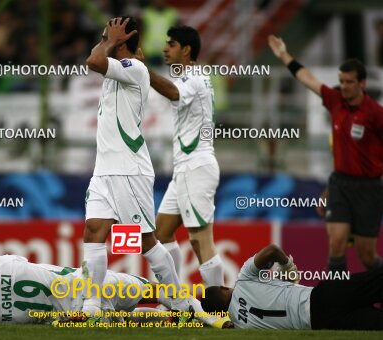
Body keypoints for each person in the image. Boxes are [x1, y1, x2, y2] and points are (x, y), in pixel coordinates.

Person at [82, 17, 191, 324]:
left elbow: (92, 59)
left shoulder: (134, 69)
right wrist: (109, 40)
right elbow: (95, 56)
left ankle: (177, 300)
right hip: (104, 171)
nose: (103, 38)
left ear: (122, 40)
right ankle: (92, 304)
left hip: (129, 171)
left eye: (108, 35)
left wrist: (110, 42)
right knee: (94, 232)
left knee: (143, 241)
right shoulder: (117, 72)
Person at [268, 35, 383, 273]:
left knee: (367, 255)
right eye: (341, 81)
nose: (344, 86)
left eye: (349, 82)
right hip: (340, 183)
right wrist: (284, 55)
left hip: (369, 188)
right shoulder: (335, 101)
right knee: (337, 243)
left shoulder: (375, 114)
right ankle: (336, 299)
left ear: (362, 84)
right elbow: (307, 79)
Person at [138, 25, 224, 287]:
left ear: (186, 50)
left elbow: (174, 92)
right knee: (161, 233)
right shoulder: (193, 76)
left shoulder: (193, 77)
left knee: (200, 240)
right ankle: (175, 298)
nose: (165, 48)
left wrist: (144, 71)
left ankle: (218, 306)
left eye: (172, 44)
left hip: (196, 167)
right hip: (184, 171)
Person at [0, 255, 231, 328]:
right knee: (159, 291)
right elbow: (23, 264)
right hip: (92, 282)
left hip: (84, 314)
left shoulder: (3, 320)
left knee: (145, 320)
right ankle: (208, 315)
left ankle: (185, 318)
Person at [201, 244, 383, 330]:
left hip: (321, 323)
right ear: (224, 289)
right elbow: (272, 250)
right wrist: (287, 265)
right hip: (322, 297)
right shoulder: (243, 280)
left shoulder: (242, 328)